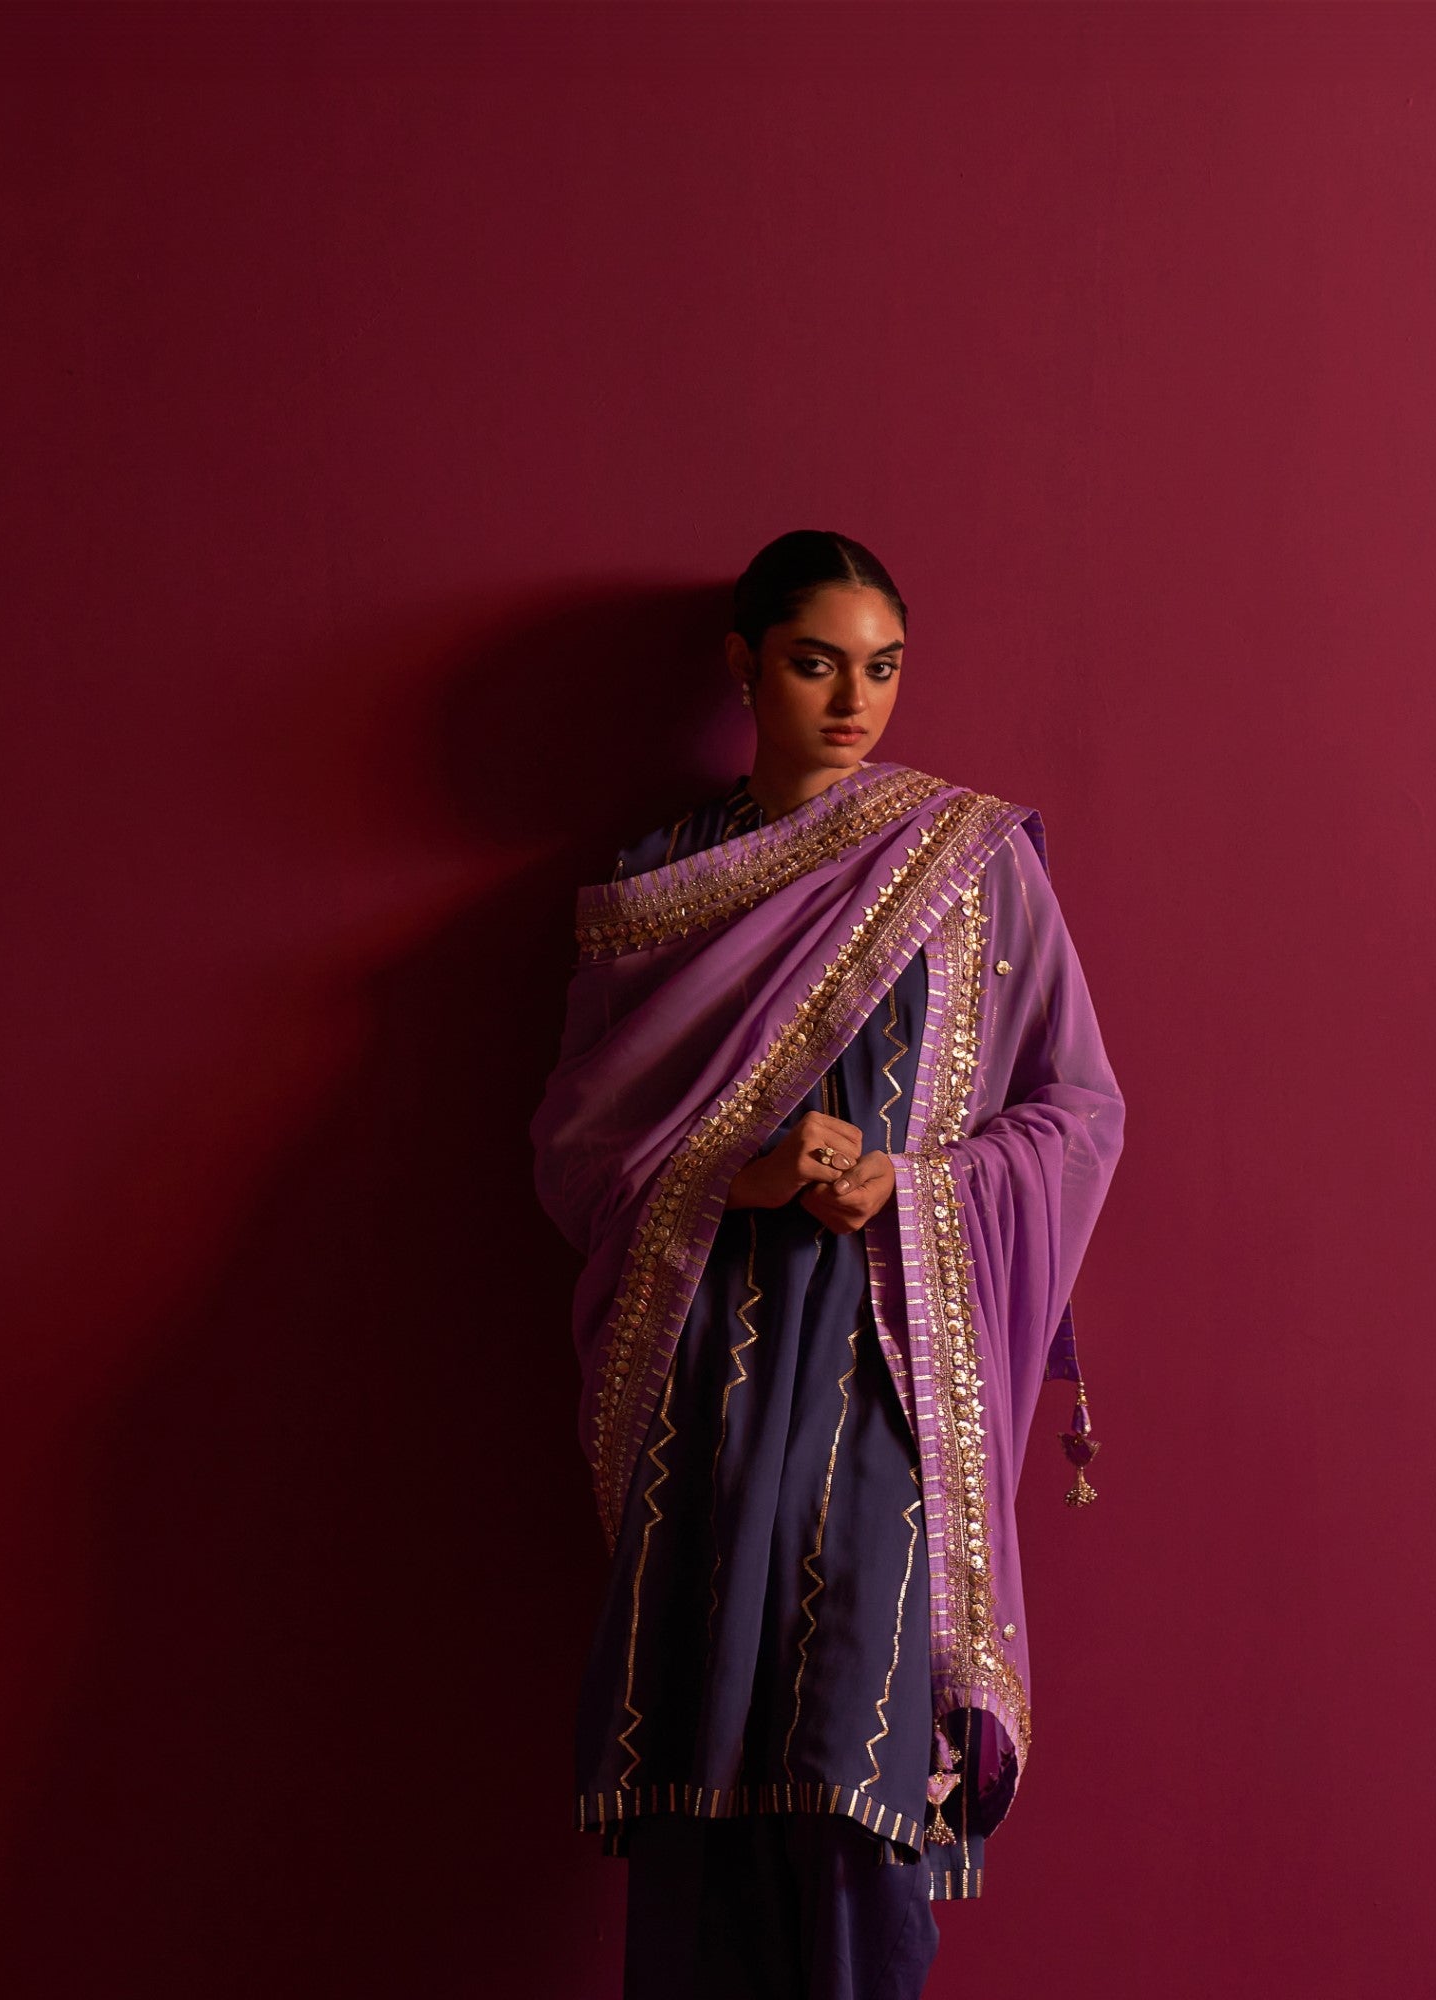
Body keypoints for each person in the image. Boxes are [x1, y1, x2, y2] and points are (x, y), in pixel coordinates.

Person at [531, 530, 1125, 1998]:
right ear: (745, 669)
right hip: (708, 1375)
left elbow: (1078, 1113)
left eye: (883, 669)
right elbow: (579, 1157)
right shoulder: (660, 881)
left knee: (861, 1764)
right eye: (817, 666)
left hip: (889, 1366)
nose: (856, 703)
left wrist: (912, 1183)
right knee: (705, 1766)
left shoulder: (966, 864)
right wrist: (736, 1174)